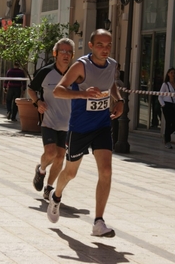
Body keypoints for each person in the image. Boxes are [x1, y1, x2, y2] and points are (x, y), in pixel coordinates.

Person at [47, 29, 124, 237]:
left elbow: (112, 84)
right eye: (100, 45)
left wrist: (120, 100)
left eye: (108, 45)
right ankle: (56, 196)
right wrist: (83, 93)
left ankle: (98, 222)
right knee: (71, 172)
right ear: (91, 46)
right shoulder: (81, 65)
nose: (105, 49)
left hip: (101, 126)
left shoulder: (113, 65)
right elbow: (58, 91)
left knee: (106, 171)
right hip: (80, 128)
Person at [28, 38, 75, 200]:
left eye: (69, 52)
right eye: (62, 51)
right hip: (49, 120)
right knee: (50, 152)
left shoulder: (76, 74)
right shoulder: (45, 72)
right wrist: (37, 102)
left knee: (60, 157)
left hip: (68, 124)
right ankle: (41, 170)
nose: (66, 55)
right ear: (55, 54)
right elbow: (31, 90)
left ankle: (49, 188)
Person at [158, 67, 175, 149]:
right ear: (168, 74)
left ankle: (166, 135)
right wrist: (163, 105)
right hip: (167, 105)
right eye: (171, 72)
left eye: (174, 72)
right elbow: (160, 96)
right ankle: (167, 141)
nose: (173, 74)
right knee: (168, 123)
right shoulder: (165, 84)